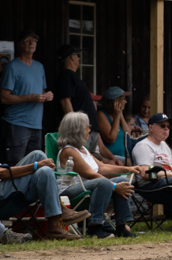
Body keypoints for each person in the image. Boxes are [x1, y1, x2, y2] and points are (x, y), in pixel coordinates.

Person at [56, 112, 147, 238]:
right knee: (103, 182)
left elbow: (102, 167)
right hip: (68, 192)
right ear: (78, 130)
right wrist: (114, 186)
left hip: (87, 188)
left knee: (121, 180)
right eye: (87, 127)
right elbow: (90, 174)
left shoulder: (83, 149)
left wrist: (129, 168)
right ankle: (95, 227)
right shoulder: (68, 151)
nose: (89, 130)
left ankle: (121, 226)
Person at [0, 150, 90, 240]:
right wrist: (36, 166)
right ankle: (60, 211)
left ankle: (54, 228)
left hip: (13, 195)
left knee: (45, 170)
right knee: (38, 157)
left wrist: (39, 165)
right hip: (3, 199)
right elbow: (2, 173)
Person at [1, 30, 53, 163]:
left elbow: (41, 92)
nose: (31, 43)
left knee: (34, 166)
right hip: (17, 124)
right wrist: (29, 97)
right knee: (16, 166)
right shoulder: (12, 67)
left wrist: (47, 95)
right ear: (19, 44)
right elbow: (4, 97)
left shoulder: (39, 67)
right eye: (27, 40)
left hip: (36, 125)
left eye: (34, 40)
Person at [54, 45, 100, 132]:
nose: (79, 58)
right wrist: (74, 127)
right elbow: (65, 102)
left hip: (89, 128)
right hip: (80, 130)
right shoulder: (66, 75)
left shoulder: (71, 76)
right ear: (72, 57)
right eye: (77, 55)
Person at [97, 87, 132, 163]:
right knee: (129, 163)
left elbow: (128, 135)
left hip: (122, 155)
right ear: (115, 101)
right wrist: (117, 117)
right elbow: (111, 138)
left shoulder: (118, 115)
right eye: (123, 99)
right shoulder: (101, 114)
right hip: (110, 158)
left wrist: (120, 115)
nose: (126, 102)